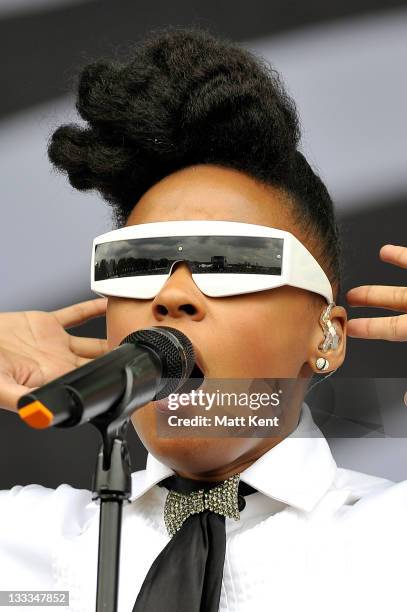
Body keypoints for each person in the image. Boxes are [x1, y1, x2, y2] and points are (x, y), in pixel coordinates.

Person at [0, 25, 406, 612]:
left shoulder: (391, 538)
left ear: (327, 334)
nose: (173, 296)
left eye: (233, 264)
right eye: (137, 266)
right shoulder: (23, 546)